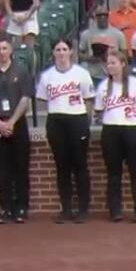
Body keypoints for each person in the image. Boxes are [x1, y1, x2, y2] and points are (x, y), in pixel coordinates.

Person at [35, 39, 95, 223]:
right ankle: (66, 208)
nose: (61, 53)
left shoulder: (81, 74)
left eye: (64, 49)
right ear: (53, 53)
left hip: (77, 119)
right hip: (56, 120)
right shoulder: (47, 76)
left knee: (80, 165)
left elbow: (89, 99)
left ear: (71, 52)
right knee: (62, 167)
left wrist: (86, 120)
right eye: (58, 49)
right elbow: (42, 101)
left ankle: (83, 208)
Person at [94, 51, 136, 223]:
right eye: (108, 63)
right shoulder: (103, 86)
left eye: (113, 63)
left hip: (132, 130)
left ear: (123, 64)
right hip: (111, 130)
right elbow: (98, 111)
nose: (110, 66)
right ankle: (115, 210)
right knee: (113, 173)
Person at [0, 36, 34, 224]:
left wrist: (11, 122)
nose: (2, 52)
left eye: (4, 48)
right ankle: (5, 207)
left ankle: (21, 207)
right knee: (2, 169)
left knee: (20, 167)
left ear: (10, 50)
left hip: (17, 123)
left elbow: (25, 98)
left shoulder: (21, 70)